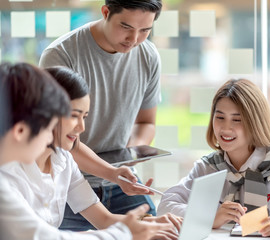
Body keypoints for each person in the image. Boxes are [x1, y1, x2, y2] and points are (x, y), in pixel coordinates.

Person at [0, 62, 160, 239]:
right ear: (21, 130)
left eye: (84, 117)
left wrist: (152, 224)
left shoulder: (63, 160)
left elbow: (102, 219)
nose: (82, 128)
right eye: (48, 126)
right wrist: (124, 233)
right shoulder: (7, 177)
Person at [39, 0, 163, 230]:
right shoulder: (61, 55)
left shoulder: (148, 56)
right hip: (69, 183)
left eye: (145, 30)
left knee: (160, 231)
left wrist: (129, 154)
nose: (134, 39)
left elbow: (146, 122)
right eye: (126, 27)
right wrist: (113, 172)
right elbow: (58, 137)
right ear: (106, 12)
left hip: (122, 181)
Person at [158, 79, 270, 239]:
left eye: (237, 120)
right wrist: (210, 217)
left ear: (255, 122)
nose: (226, 128)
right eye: (220, 117)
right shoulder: (209, 167)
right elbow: (167, 204)